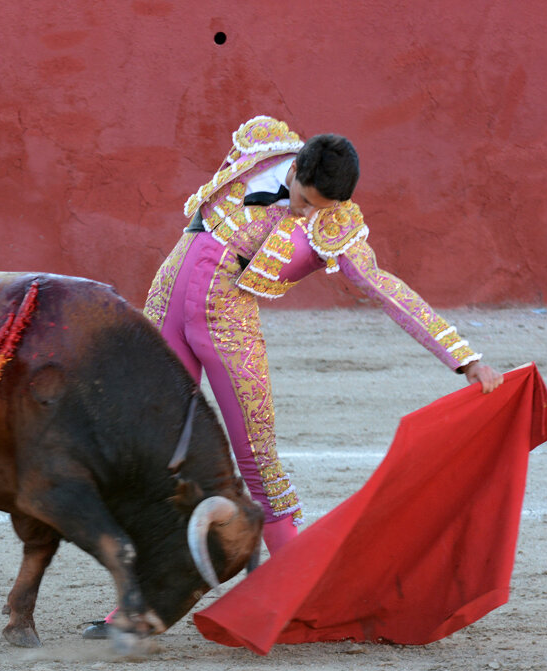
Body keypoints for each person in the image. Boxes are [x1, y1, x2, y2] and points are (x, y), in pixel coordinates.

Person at [82, 115, 503, 640]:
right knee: (148, 455)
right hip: (169, 296)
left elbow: (384, 288)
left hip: (227, 322)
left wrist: (463, 358)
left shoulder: (337, 224)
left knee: (259, 461)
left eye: (315, 210)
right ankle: (136, 604)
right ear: (297, 166)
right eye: (302, 200)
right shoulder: (261, 148)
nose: (302, 214)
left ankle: (303, 600)